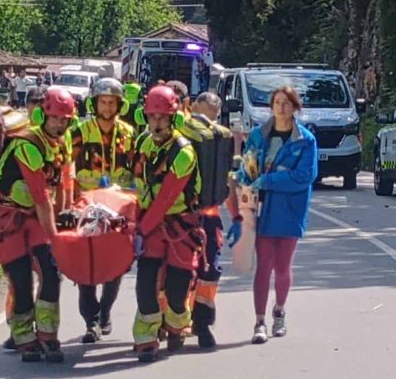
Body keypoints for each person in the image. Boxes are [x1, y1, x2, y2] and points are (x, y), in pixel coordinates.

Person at [0, 86, 75, 362]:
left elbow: (61, 184)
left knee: (51, 273)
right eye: (55, 119)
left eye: (64, 120)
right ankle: (25, 338)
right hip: (11, 218)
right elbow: (40, 197)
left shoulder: (59, 143)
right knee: (22, 280)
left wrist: (65, 217)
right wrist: (56, 238)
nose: (59, 124)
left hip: (35, 216)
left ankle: (48, 336)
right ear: (43, 116)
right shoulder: (27, 145)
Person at [238, 86, 317, 344]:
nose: (282, 107)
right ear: (271, 107)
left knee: (283, 266)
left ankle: (279, 311)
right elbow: (245, 168)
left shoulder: (305, 140)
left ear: (295, 107)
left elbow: (304, 177)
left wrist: (270, 180)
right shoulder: (258, 136)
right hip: (261, 209)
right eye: (277, 102)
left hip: (290, 209)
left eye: (287, 103)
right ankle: (259, 320)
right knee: (263, 265)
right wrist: (245, 182)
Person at [131, 85, 202, 363]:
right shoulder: (144, 145)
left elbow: (166, 199)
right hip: (150, 226)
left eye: (162, 117)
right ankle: (146, 339)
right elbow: (136, 186)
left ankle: (176, 325)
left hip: (179, 226)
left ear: (173, 118)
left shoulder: (183, 152)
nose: (157, 123)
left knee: (176, 288)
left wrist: (141, 230)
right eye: (152, 117)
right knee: (146, 283)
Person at [67, 77, 136, 343]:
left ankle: (105, 311)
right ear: (95, 103)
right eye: (103, 102)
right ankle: (91, 322)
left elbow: (135, 169)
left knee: (116, 263)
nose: (107, 108)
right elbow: (67, 168)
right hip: (86, 205)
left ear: (120, 105)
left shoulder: (129, 134)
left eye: (112, 103)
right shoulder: (79, 132)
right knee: (86, 266)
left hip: (118, 206)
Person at [183, 91, 238, 349]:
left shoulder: (219, 139)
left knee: (210, 268)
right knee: (177, 269)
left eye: (212, 118)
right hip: (179, 214)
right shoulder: (176, 133)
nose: (206, 123)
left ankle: (202, 322)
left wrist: (236, 215)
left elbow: (225, 181)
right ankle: (170, 321)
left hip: (208, 215)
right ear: (191, 107)